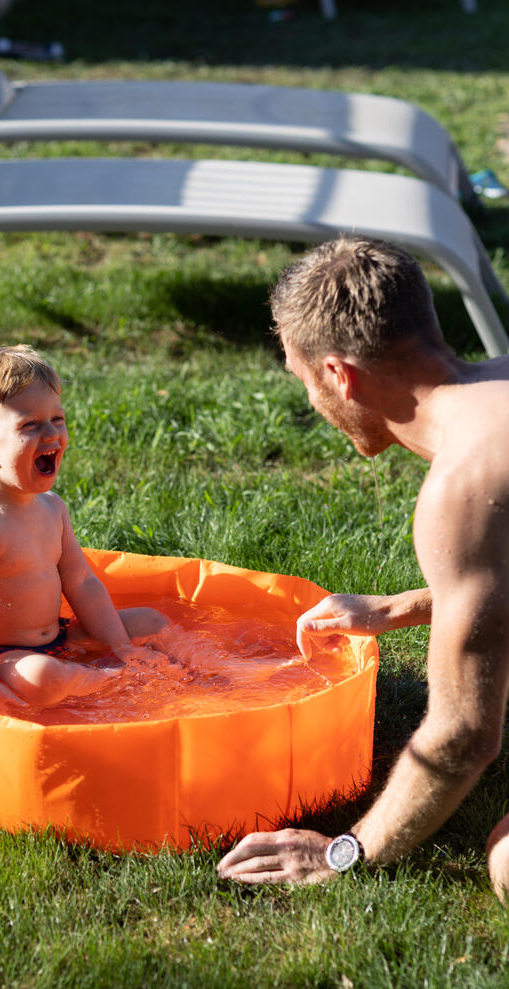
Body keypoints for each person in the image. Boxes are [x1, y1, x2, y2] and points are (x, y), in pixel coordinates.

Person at [217, 236, 509, 900]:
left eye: (304, 381)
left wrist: (348, 851)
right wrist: (406, 606)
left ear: (339, 375)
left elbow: (464, 736)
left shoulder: (464, 488)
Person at [0, 345, 167, 709]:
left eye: (57, 419)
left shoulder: (52, 507)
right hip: (6, 657)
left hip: (59, 636)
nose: (51, 434)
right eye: (30, 425)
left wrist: (122, 646)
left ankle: (116, 670)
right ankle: (111, 682)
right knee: (43, 678)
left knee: (152, 622)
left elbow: (82, 583)